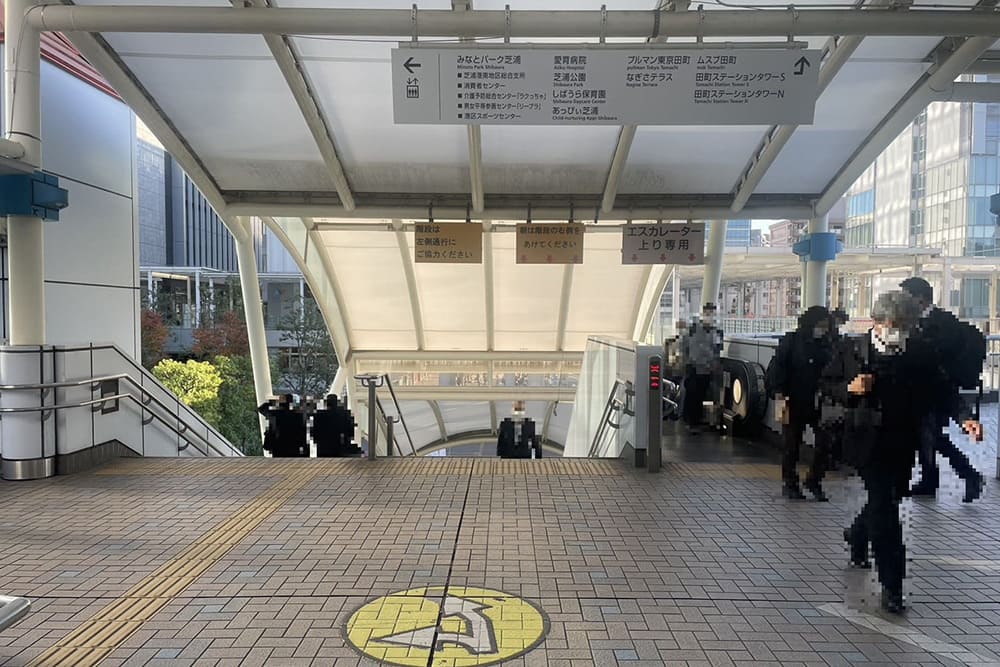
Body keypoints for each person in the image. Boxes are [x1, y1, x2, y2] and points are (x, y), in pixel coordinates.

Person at [825, 291, 982, 614]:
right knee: (885, 507)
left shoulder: (920, 352)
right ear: (877, 323)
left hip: (904, 440)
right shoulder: (853, 349)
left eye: (907, 326)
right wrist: (850, 389)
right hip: (866, 439)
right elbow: (827, 386)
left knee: (889, 498)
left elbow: (943, 390)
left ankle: (856, 535)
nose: (900, 332)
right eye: (895, 325)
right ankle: (892, 585)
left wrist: (966, 418)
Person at [899, 277, 986, 502]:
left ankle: (969, 475)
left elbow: (942, 355)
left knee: (932, 436)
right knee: (927, 436)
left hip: (938, 389)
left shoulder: (945, 323)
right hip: (918, 389)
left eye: (906, 295)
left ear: (920, 298)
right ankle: (931, 479)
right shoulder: (913, 321)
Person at [770, 306, 835, 500]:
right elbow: (778, 366)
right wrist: (779, 392)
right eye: (820, 325)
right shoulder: (792, 340)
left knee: (826, 441)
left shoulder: (828, 343)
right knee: (792, 444)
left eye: (826, 326)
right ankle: (790, 483)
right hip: (793, 399)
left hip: (819, 401)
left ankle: (814, 479)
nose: (823, 329)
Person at [680, 303, 723, 433]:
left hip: (707, 369)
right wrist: (686, 362)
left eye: (712, 314)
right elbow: (685, 346)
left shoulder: (716, 332)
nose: (710, 316)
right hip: (694, 367)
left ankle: (696, 420)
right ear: (703, 314)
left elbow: (717, 349)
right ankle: (690, 421)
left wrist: (714, 364)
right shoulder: (694, 329)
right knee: (692, 394)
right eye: (708, 313)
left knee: (701, 394)